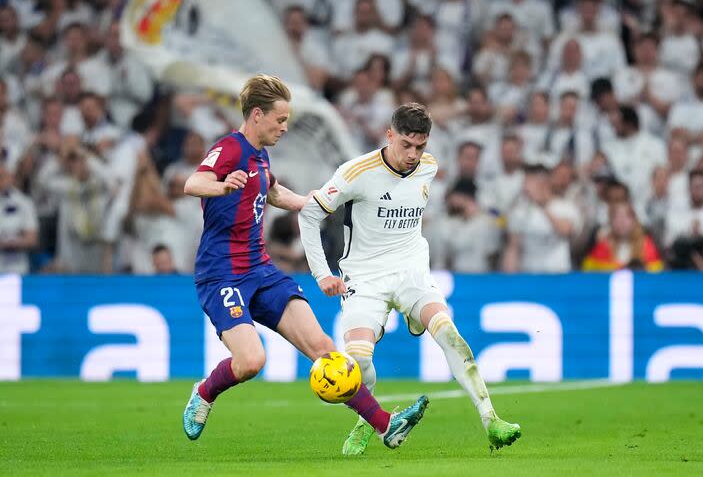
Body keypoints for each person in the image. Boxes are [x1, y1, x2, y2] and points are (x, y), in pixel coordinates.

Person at [181, 75, 428, 448]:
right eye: (280, 120)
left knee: (324, 349)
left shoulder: (260, 155)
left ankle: (384, 425)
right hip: (221, 275)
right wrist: (222, 186)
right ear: (258, 115)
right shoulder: (230, 148)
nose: (284, 127)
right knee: (250, 361)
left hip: (261, 270)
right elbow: (193, 183)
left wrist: (312, 202)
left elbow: (273, 190)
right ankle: (204, 393)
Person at [298, 103, 521, 456]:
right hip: (365, 278)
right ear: (389, 135)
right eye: (406, 145)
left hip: (411, 270)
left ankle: (492, 420)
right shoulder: (356, 172)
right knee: (359, 361)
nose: (413, 155)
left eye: (420, 146)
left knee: (449, 333)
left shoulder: (428, 168)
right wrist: (322, 273)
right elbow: (309, 214)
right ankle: (367, 422)